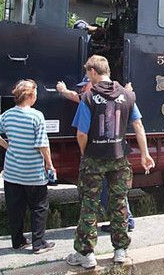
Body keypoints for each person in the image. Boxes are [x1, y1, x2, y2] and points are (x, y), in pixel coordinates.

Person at [66, 55, 155, 268]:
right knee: (119, 204)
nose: (88, 77)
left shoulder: (88, 98)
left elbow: (81, 133)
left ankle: (86, 255)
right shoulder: (128, 95)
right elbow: (139, 126)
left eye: (88, 73)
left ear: (94, 72)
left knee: (89, 205)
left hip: (94, 159)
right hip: (119, 157)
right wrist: (145, 154)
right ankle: (120, 250)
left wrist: (85, 152)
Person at [56, 77, 136, 232]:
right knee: (116, 190)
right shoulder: (117, 95)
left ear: (92, 83)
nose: (81, 90)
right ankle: (126, 220)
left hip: (101, 153)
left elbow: (75, 98)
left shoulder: (91, 98)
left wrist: (62, 90)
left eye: (84, 86)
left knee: (107, 191)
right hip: (115, 149)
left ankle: (126, 221)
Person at [0, 79, 56, 253]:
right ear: (31, 96)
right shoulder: (36, 115)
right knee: (39, 207)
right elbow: (42, 144)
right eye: (36, 93)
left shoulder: (8, 115)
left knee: (15, 208)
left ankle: (18, 241)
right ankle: (38, 244)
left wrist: (7, 146)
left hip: (12, 173)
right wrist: (50, 164)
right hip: (33, 173)